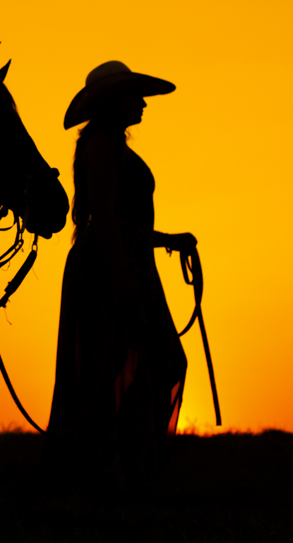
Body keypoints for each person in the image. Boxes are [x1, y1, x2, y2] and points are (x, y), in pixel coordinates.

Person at [43, 60, 194, 490]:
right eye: (134, 94)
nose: (143, 102)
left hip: (121, 260)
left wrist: (165, 239)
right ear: (115, 102)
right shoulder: (104, 144)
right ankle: (107, 471)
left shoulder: (108, 144)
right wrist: (122, 275)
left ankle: (120, 467)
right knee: (107, 367)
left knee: (128, 363)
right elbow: (104, 217)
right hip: (111, 266)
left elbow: (118, 220)